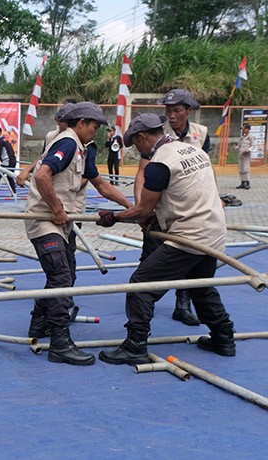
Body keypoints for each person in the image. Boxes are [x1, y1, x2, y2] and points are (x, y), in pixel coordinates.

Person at [96, 113, 236, 364]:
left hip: (189, 236)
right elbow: (188, 192)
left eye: (136, 144)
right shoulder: (192, 151)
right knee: (199, 286)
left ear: (142, 137)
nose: (137, 150)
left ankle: (135, 346)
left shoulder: (159, 164)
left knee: (140, 285)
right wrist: (158, 217)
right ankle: (224, 338)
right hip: (214, 231)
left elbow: (143, 210)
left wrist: (113, 217)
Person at [24, 102, 132, 366]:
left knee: (66, 273)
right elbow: (42, 176)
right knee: (60, 275)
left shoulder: (81, 150)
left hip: (64, 222)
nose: (96, 132)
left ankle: (39, 322)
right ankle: (60, 343)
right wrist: (57, 208)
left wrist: (133, 208)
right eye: (94, 126)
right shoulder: (68, 143)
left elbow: (102, 186)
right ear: (81, 123)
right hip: (45, 220)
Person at [135, 88, 210, 326]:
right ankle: (144, 299)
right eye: (168, 111)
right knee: (152, 251)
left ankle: (182, 304)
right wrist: (141, 208)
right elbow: (142, 172)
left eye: (177, 110)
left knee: (188, 256)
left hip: (187, 209)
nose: (172, 116)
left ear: (188, 111)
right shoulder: (158, 134)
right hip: (161, 205)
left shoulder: (201, 133)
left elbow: (205, 168)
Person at [17, 103, 75, 187]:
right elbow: (43, 157)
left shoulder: (81, 142)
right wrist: (27, 170)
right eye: (58, 120)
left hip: (68, 193)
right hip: (47, 189)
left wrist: (72, 188)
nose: (59, 124)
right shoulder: (51, 136)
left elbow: (89, 174)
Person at [236, 124, 255, 190]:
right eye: (243, 129)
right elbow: (239, 145)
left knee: (246, 169)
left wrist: (248, 150)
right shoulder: (242, 137)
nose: (243, 130)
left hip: (246, 155)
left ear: (248, 129)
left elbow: (253, 146)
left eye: (244, 129)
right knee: (241, 169)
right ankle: (242, 182)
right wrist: (235, 147)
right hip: (241, 154)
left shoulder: (251, 137)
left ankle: (247, 183)